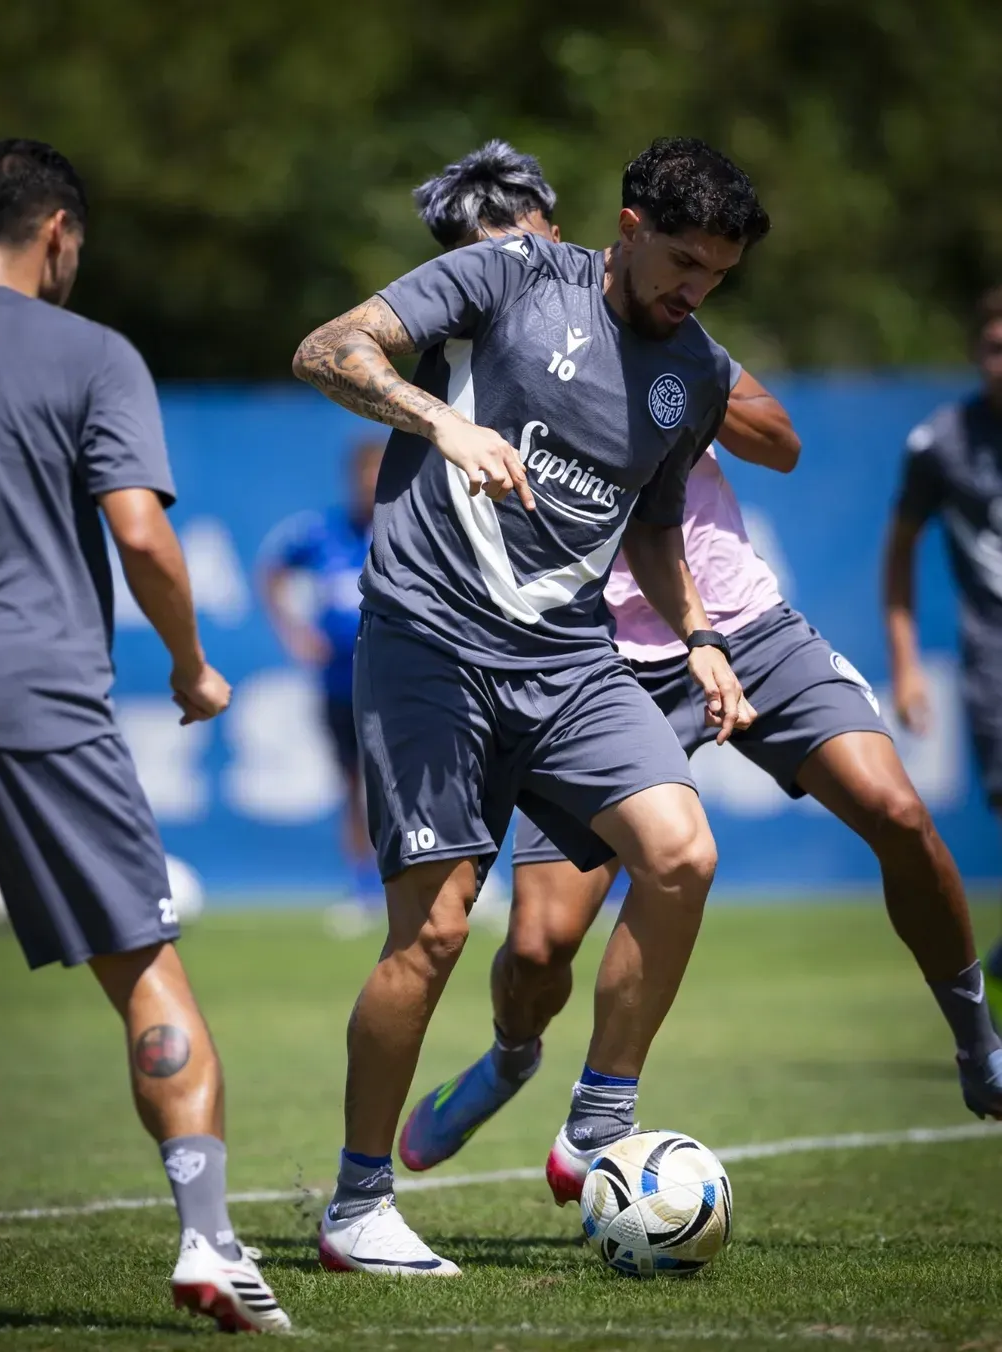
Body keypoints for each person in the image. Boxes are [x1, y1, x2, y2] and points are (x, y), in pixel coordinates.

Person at [398, 144, 1002, 1197]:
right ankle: (509, 1057)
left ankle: (976, 1039)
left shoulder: (673, 332)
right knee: (537, 949)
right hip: (587, 657)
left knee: (897, 812)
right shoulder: (459, 370)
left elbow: (781, 441)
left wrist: (662, 383)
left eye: (525, 243)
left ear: (573, 235)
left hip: (737, 622)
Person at [293, 136, 769, 1275]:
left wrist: (701, 635)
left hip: (568, 661)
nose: (696, 290)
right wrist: (441, 421)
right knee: (435, 932)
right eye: (684, 262)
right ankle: (358, 1205)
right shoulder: (509, 274)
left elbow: (653, 523)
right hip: (430, 642)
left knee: (681, 853)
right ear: (629, 226)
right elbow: (325, 348)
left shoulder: (696, 373)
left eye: (719, 274)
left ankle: (601, 1117)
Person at [0, 140, 288, 1333]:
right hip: (35, 699)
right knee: (145, 970)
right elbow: (139, 532)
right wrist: (191, 664)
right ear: (58, 234)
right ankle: (209, 1239)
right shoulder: (92, 353)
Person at [885, 287, 1002, 1027]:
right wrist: (903, 665)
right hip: (995, 662)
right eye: (994, 347)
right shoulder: (942, 443)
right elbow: (900, 549)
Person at [259, 438, 385, 936]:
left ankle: (462, 885)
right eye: (363, 475)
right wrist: (294, 632)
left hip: (396, 680)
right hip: (339, 683)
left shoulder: (408, 529)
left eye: (378, 474)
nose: (370, 484)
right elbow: (272, 572)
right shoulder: (322, 532)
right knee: (353, 785)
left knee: (411, 783)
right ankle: (364, 891)